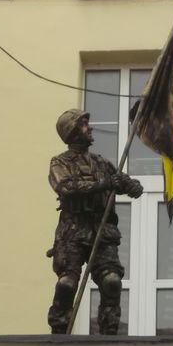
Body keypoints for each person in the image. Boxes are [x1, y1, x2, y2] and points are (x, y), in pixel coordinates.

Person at [47, 109, 143, 334]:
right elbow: (67, 187)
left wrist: (128, 184)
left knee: (111, 281)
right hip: (73, 232)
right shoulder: (60, 162)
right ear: (71, 132)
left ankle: (109, 332)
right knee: (66, 283)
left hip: (102, 230)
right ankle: (59, 331)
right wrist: (106, 184)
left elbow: (133, 189)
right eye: (83, 125)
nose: (89, 128)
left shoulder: (102, 163)